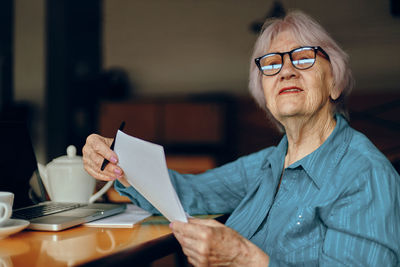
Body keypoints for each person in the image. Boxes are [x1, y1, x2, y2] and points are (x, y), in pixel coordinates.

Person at [82, 10, 400, 266]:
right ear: (264, 94)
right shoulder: (270, 162)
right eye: (272, 64)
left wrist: (244, 259)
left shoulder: (364, 175)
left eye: (303, 57)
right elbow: (188, 193)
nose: (286, 70)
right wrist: (116, 155)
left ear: (335, 83)